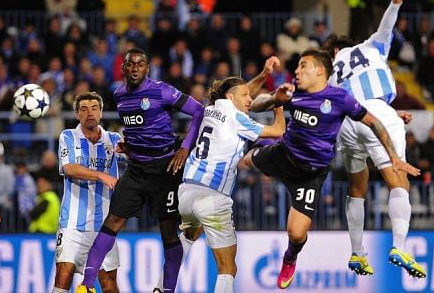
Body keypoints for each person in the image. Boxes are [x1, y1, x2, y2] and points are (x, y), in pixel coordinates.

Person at [240, 50, 420, 289]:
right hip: (283, 155)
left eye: (303, 66)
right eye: (298, 67)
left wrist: (394, 157)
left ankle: (290, 258)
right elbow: (256, 104)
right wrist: (276, 99)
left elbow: (374, 121)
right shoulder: (294, 90)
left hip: (309, 175)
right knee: (244, 161)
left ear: (320, 70)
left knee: (296, 234)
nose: (297, 70)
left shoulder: (341, 99)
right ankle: (265, 146)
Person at [76, 48, 204, 293]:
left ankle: (167, 290)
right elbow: (139, 127)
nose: (135, 68)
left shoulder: (161, 90)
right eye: (130, 64)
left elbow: (199, 110)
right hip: (136, 168)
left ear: (147, 68)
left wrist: (185, 147)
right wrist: (131, 145)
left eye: (140, 64)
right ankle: (87, 285)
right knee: (113, 220)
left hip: (166, 168)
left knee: (168, 232)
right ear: (123, 68)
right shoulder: (119, 95)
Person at [325, 0, 427, 278]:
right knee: (398, 180)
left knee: (357, 189)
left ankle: (357, 253)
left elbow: (352, 103)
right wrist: (395, 3)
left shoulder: (332, 74)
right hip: (377, 114)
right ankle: (399, 246)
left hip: (348, 125)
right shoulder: (369, 47)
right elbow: (386, 28)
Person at [176, 76, 286, 292]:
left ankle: (161, 286)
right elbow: (278, 131)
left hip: (186, 192)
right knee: (227, 268)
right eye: (245, 96)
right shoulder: (236, 117)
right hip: (213, 197)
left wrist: (264, 74)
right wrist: (277, 104)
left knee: (190, 235)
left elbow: (239, 96)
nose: (250, 99)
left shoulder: (208, 110)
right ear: (229, 97)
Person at [53, 92, 123, 293]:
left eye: (94, 108)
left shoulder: (114, 140)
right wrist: (101, 175)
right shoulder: (68, 136)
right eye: (83, 109)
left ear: (101, 113)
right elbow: (69, 168)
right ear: (77, 114)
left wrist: (132, 151)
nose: (89, 113)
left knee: (109, 283)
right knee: (63, 276)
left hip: (104, 227)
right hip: (72, 225)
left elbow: (136, 161)